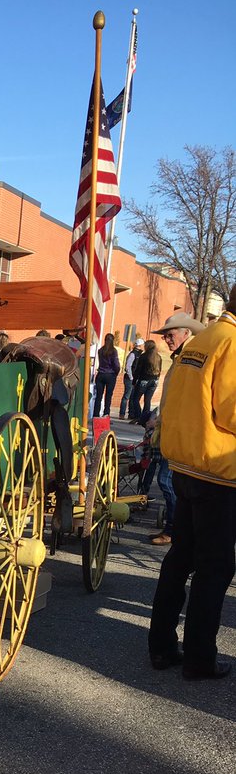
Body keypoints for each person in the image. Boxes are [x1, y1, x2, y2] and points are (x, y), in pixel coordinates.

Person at [148, 287, 236, 680]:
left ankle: (162, 645)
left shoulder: (202, 340)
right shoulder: (231, 342)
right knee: (214, 569)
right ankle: (200, 657)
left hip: (186, 466)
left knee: (180, 558)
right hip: (217, 470)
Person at [142, 313, 206, 545]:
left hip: (182, 432)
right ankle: (176, 529)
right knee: (170, 482)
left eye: (170, 335)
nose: (167, 340)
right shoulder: (182, 357)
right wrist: (157, 417)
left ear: (186, 333)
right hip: (173, 428)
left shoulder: (191, 357)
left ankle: (175, 530)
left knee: (168, 481)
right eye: (166, 336)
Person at [131, 339, 161, 424]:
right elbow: (160, 370)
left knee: (135, 399)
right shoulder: (158, 357)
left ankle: (138, 416)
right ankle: (144, 418)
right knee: (147, 400)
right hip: (154, 381)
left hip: (144, 380)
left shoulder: (144, 356)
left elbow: (138, 370)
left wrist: (134, 381)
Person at [93, 332, 120, 417]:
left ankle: (96, 415)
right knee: (108, 397)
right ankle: (106, 414)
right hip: (110, 375)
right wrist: (116, 372)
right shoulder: (113, 351)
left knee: (98, 397)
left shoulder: (101, 350)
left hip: (101, 374)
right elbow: (116, 364)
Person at [121, 336, 144, 419]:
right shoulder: (133, 354)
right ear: (140, 345)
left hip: (134, 378)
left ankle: (131, 414)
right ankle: (122, 414)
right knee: (127, 396)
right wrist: (131, 377)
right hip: (129, 378)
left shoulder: (140, 354)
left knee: (132, 397)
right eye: (143, 345)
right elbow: (128, 366)